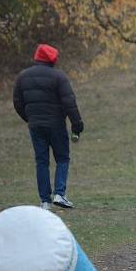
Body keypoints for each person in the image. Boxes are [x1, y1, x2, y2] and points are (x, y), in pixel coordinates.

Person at [13, 43, 84, 210]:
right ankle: (59, 193)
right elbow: (69, 102)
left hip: (35, 126)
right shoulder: (58, 77)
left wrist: (30, 118)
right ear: (52, 60)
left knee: (42, 162)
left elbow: (17, 102)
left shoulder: (23, 77)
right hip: (56, 125)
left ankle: (45, 201)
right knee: (63, 158)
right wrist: (77, 124)